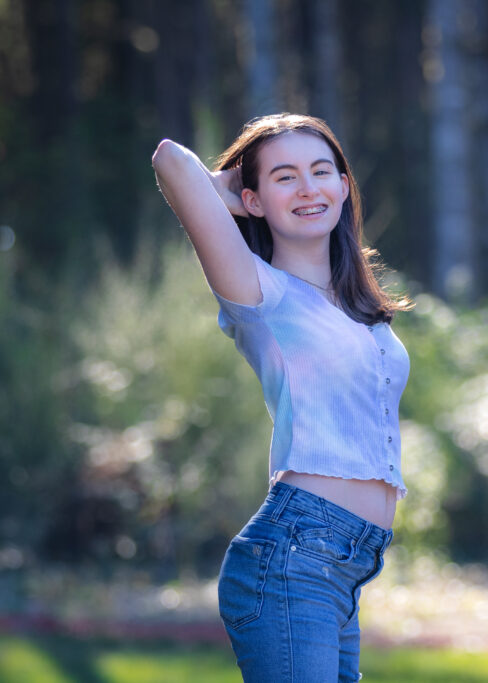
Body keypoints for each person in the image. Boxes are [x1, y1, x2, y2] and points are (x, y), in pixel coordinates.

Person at [151, 113, 412, 682]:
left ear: (345, 187)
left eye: (322, 172)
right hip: (294, 555)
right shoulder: (258, 290)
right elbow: (172, 159)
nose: (308, 188)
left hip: (344, 563)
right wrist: (233, 193)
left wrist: (275, 187)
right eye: (284, 177)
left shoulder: (360, 311)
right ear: (252, 199)